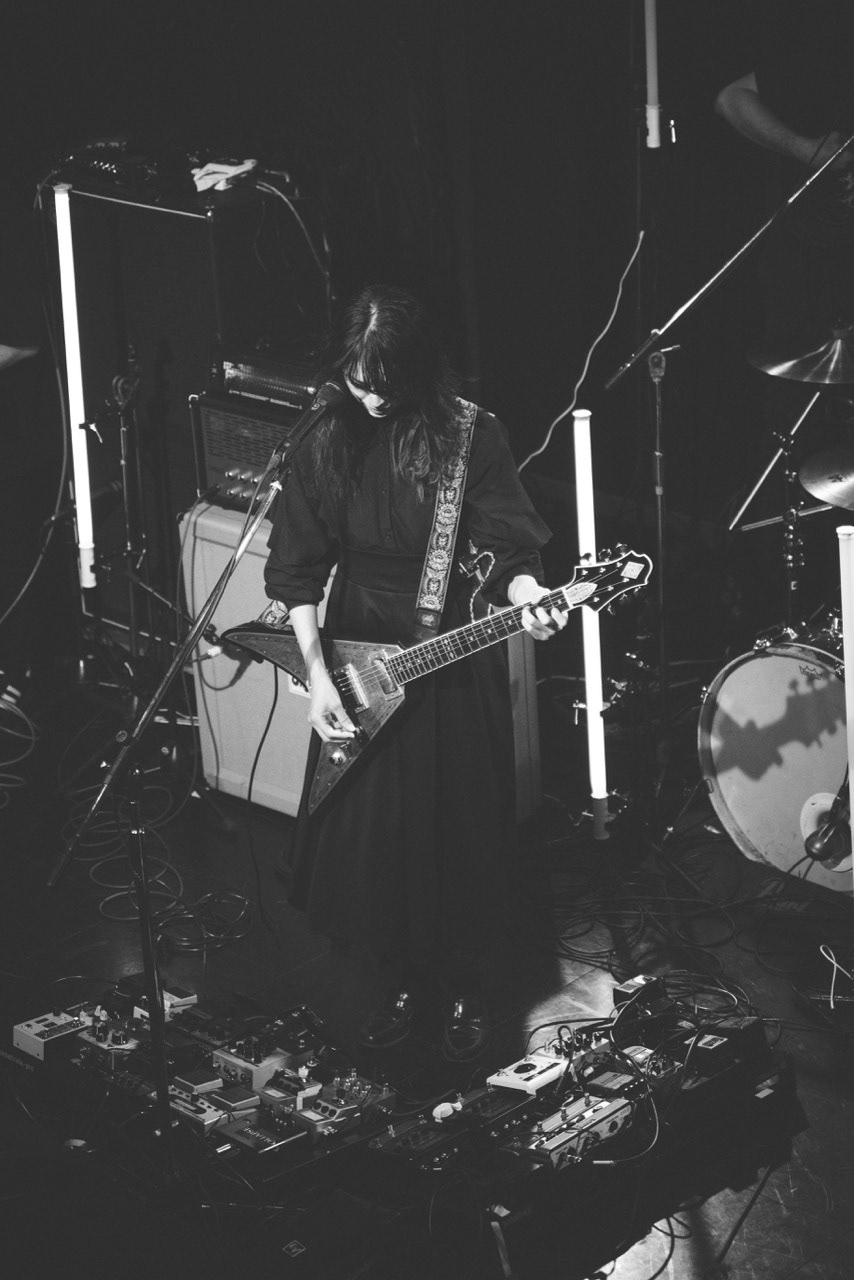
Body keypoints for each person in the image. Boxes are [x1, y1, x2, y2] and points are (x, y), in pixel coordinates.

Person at [263, 283, 566, 1061]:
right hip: (356, 648)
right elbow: (296, 572)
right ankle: (397, 979)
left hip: (449, 643)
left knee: (456, 825)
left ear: (420, 369)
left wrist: (529, 598)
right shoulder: (322, 434)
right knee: (374, 835)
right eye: (358, 378)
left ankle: (463, 984)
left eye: (386, 381)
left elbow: (508, 552)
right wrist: (318, 677)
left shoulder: (470, 434)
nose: (371, 395)